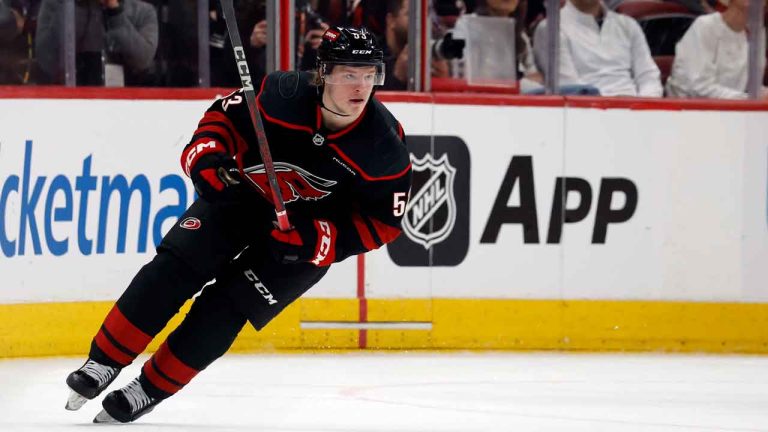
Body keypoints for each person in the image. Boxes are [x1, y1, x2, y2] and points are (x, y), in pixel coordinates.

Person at [63, 26, 412, 424]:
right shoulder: (281, 95)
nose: (361, 86)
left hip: (300, 241)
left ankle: (148, 389)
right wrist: (207, 161)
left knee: (226, 308)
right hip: (239, 198)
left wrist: (317, 240)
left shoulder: (385, 147)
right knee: (172, 268)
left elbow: (384, 223)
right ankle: (103, 361)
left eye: (370, 75)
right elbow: (220, 121)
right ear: (323, 73)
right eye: (350, 73)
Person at [533, 0, 663, 97]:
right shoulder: (551, 28)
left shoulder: (628, 25)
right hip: (587, 117)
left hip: (637, 112)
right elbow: (570, 89)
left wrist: (643, 108)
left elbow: (649, 76)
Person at [35, 0, 158, 85]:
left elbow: (143, 60)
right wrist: (75, 6)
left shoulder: (143, 11)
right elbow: (46, 61)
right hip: (69, 100)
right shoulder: (55, 4)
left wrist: (115, 11)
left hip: (123, 105)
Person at [665, 0, 767, 99]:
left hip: (732, 110)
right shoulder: (705, 26)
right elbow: (698, 88)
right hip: (688, 110)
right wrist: (747, 100)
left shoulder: (757, 34)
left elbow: (752, 88)